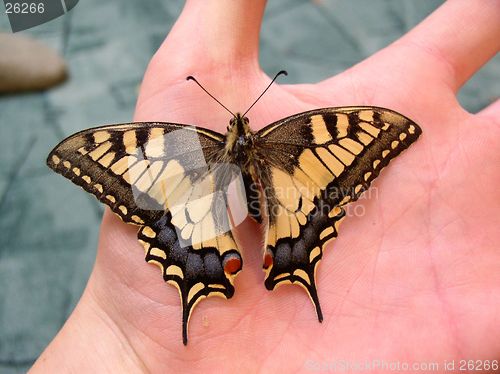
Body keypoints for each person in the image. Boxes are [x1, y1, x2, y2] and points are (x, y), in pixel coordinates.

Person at [32, 0, 500, 371]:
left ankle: (249, 258)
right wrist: (128, 348)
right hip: (285, 196)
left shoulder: (185, 148)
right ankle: (268, 256)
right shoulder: (290, 139)